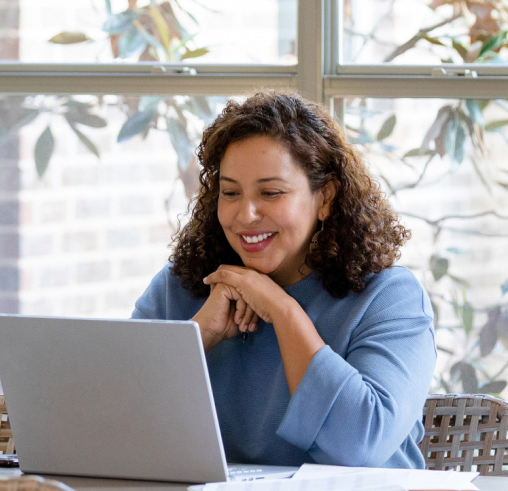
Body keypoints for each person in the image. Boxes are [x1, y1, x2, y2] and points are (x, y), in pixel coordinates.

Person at [132, 91, 436, 469]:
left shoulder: (390, 299)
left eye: (271, 193)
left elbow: (362, 444)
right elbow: (111, 422)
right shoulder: (183, 287)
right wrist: (198, 336)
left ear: (325, 197)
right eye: (230, 193)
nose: (245, 215)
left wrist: (283, 311)